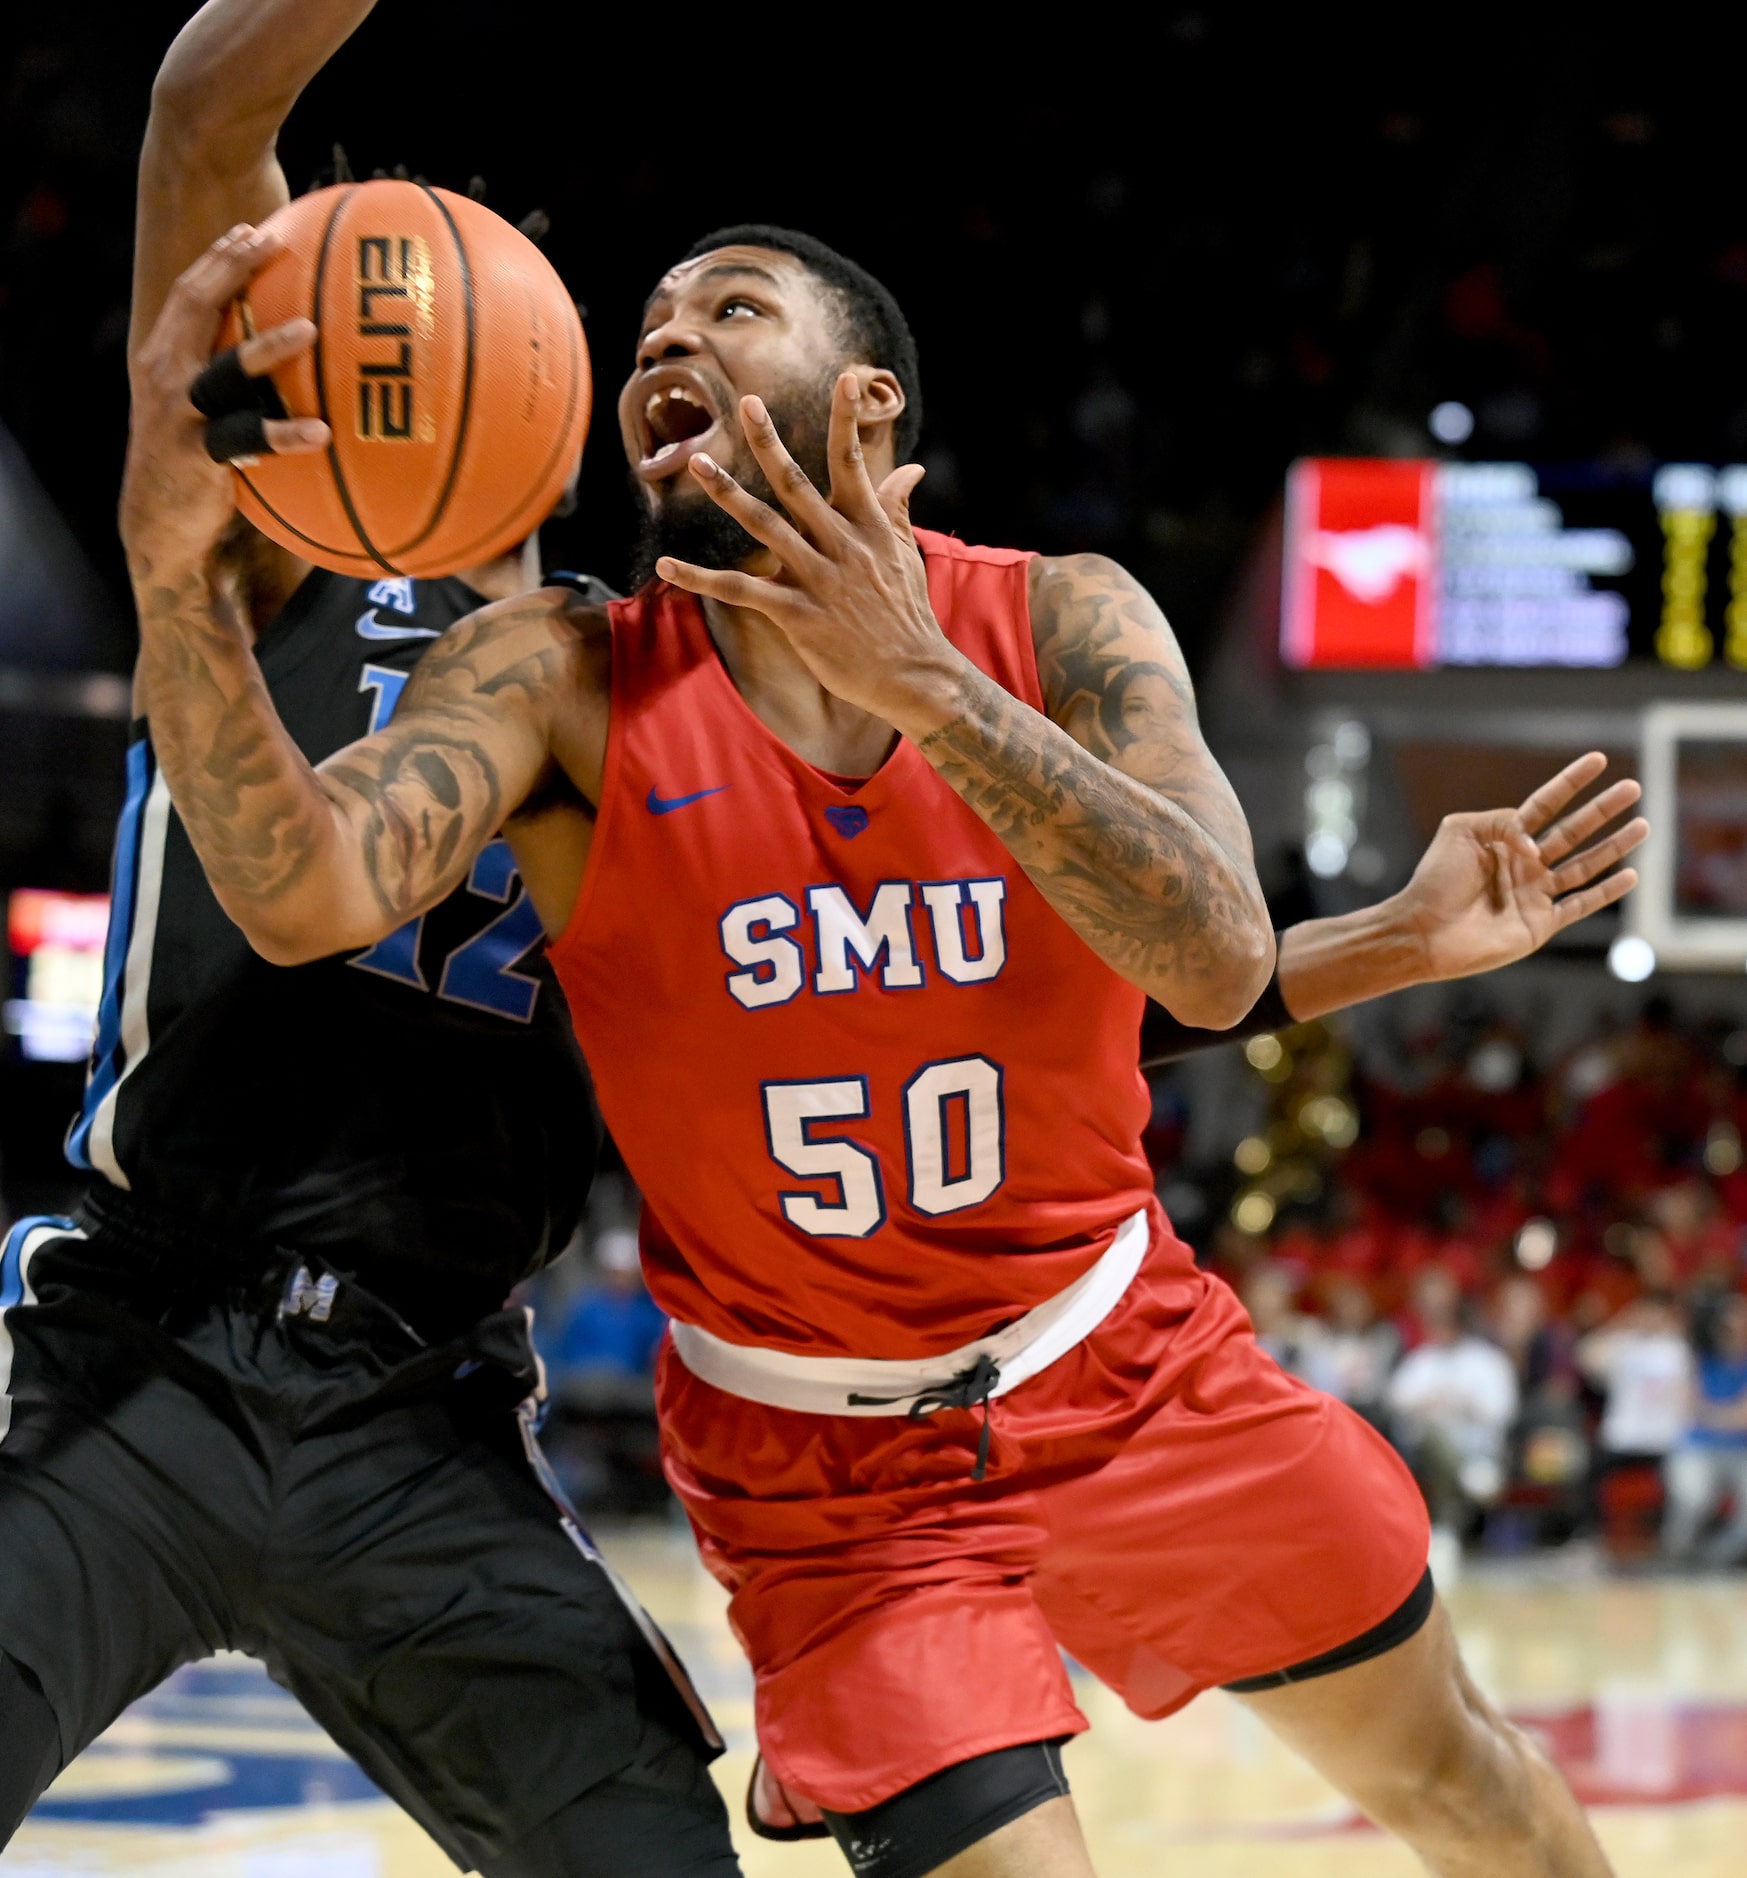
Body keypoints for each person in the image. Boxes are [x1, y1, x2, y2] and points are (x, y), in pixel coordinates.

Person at [119, 201, 1646, 1878]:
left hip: (1131, 1365)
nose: (664, 342)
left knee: (1461, 1784)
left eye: (733, 306)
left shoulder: (1064, 624)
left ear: (866, 410)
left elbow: (1205, 966)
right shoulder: (557, 675)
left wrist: (927, 686)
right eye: (645, 329)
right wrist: (177, 577)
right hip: (828, 1474)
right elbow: (303, 887)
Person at [0, 4, 741, 1872]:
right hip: (138, 1330)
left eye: (427, 328)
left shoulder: (622, 666)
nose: (390, 351)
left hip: (423, 1402)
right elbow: (199, 107)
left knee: (653, 1848)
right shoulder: (261, 532)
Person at [1386, 1267, 1520, 1538]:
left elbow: (1503, 1410)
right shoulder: (1422, 1359)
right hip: (1426, 1450)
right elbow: (1395, 1401)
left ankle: (1448, 1528)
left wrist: (1463, 1404)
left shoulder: (1487, 1360)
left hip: (1480, 1448)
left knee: (1455, 1448)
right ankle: (1467, 1476)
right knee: (1435, 1439)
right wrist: (1430, 1404)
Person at [1662, 1291, 1747, 1564]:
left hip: (1740, 1451)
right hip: (1697, 1447)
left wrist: (1710, 1413)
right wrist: (1726, 1415)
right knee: (1692, 1496)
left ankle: (1714, 1559)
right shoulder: (1697, 1356)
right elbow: (1687, 1405)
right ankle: (1675, 1555)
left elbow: (1741, 1418)